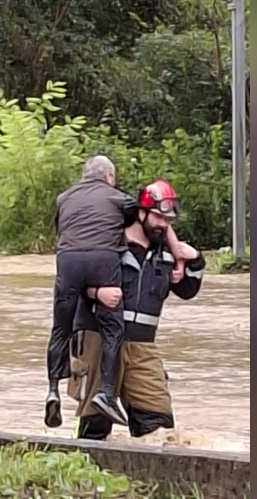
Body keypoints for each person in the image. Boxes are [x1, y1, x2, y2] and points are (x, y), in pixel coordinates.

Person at [66, 180, 206, 440]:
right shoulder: (107, 243)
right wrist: (97, 292)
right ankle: (86, 475)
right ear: (141, 213)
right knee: (95, 424)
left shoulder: (168, 254)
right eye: (158, 217)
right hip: (98, 340)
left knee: (160, 427)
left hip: (142, 347)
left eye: (168, 220)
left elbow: (188, 290)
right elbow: (72, 280)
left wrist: (195, 259)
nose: (163, 225)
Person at [45, 155, 138, 429]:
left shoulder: (64, 198)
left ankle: (52, 390)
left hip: (68, 260)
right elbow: (133, 218)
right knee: (112, 328)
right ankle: (106, 393)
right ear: (109, 176)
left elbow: (60, 229)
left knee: (60, 328)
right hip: (103, 259)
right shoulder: (117, 197)